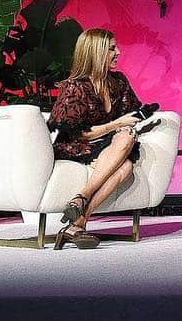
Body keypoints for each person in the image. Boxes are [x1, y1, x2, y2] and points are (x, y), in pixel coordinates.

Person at [47, 29, 148, 250]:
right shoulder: (75, 87)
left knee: (126, 153)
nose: (118, 52)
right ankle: (81, 205)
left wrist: (133, 121)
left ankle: (78, 218)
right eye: (112, 48)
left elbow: (131, 114)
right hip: (76, 145)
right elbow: (75, 133)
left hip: (106, 145)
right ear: (95, 52)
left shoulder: (118, 82)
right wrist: (116, 124)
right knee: (125, 159)